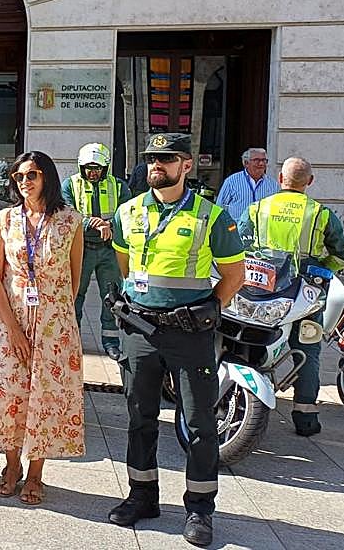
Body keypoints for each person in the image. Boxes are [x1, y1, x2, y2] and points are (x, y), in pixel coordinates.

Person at [107, 133, 246, 548]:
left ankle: (200, 509)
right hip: (141, 330)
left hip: (189, 334)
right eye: (152, 158)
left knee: (201, 424)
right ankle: (142, 496)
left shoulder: (212, 216)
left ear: (186, 165)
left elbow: (233, 275)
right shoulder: (128, 212)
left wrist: (205, 311)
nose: (156, 165)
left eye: (166, 159)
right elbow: (126, 265)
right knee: (139, 416)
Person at [0, 151, 84, 507]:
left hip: (55, 326)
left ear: (47, 177)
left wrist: (56, 316)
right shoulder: (4, 219)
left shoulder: (70, 222)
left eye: (32, 175)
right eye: (19, 176)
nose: (25, 182)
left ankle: (36, 472)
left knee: (46, 398)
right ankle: (10, 465)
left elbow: (74, 278)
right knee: (9, 394)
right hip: (10, 319)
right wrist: (15, 329)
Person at [238, 156, 344, 437]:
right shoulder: (320, 213)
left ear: (280, 179)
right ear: (310, 182)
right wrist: (325, 268)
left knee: (244, 335)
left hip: (261, 288)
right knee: (309, 350)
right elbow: (342, 255)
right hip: (305, 292)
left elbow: (239, 244)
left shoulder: (258, 208)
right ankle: (305, 417)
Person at [64, 143, 131, 359]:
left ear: (106, 167)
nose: (93, 173)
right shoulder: (70, 185)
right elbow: (66, 215)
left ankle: (111, 341)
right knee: (75, 296)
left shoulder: (119, 187)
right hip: (80, 249)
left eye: (97, 169)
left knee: (111, 297)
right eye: (88, 169)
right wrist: (90, 223)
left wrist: (110, 226)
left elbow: (127, 215)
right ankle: (71, 341)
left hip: (109, 250)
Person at [214, 147, 279, 222]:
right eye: (257, 160)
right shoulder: (231, 182)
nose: (261, 163)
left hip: (262, 231)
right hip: (237, 231)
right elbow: (219, 208)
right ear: (246, 163)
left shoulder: (273, 184)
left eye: (264, 160)